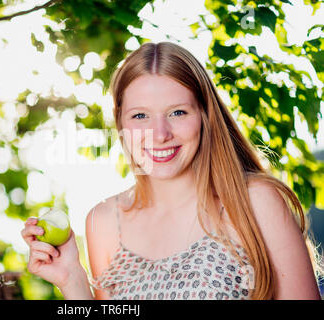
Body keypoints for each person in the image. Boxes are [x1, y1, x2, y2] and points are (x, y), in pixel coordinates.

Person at [21, 42, 323, 300]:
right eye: (140, 115)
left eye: (177, 112)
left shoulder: (255, 201)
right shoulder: (104, 223)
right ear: (121, 123)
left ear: (205, 115)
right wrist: (72, 279)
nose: (160, 133)